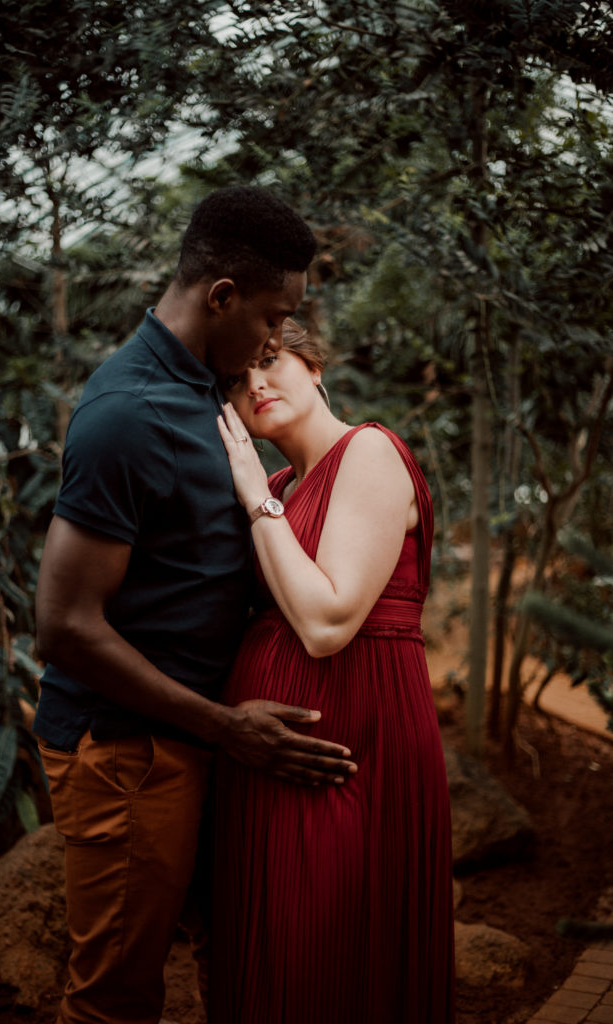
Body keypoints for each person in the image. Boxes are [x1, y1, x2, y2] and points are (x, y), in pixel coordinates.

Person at [33, 187, 358, 1024]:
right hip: (131, 754)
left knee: (240, 957)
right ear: (221, 297)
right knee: (115, 998)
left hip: (203, 742)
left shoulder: (208, 392)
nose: (275, 339)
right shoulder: (127, 414)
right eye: (271, 316)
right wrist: (223, 726)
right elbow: (64, 626)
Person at [210, 319, 456, 1023]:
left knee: (333, 962)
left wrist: (256, 497)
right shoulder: (285, 485)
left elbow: (325, 624)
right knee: (276, 967)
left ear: (313, 366)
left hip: (354, 759)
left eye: (268, 361)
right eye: (233, 377)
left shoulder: (369, 451)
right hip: (272, 765)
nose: (254, 383)